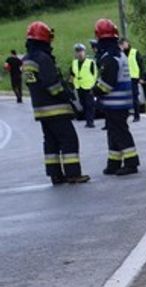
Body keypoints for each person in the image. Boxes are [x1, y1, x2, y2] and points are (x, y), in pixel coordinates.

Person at [21, 22, 89, 185]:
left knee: (51, 142)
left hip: (40, 109)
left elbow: (33, 83)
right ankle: (73, 174)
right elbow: (53, 85)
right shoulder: (43, 58)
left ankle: (55, 175)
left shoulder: (26, 59)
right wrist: (68, 95)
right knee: (69, 140)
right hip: (55, 107)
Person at [93, 18, 138, 176]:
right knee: (113, 133)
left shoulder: (110, 57)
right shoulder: (118, 54)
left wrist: (95, 91)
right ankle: (114, 162)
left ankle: (131, 163)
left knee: (120, 132)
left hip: (115, 103)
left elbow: (107, 84)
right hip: (120, 102)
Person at [70, 43, 96, 128]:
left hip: (88, 86)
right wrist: (71, 84)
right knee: (83, 103)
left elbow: (94, 74)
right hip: (79, 86)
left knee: (89, 105)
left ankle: (90, 121)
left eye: (81, 51)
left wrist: (93, 85)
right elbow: (72, 74)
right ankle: (87, 120)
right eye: (77, 52)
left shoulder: (90, 62)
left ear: (84, 52)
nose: (79, 54)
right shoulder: (74, 63)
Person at [120, 37, 140, 122]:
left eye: (124, 43)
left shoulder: (135, 52)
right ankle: (126, 114)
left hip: (134, 78)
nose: (123, 45)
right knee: (125, 98)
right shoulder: (120, 54)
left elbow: (141, 65)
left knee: (135, 98)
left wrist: (141, 77)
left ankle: (136, 116)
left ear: (127, 43)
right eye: (121, 44)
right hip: (124, 79)